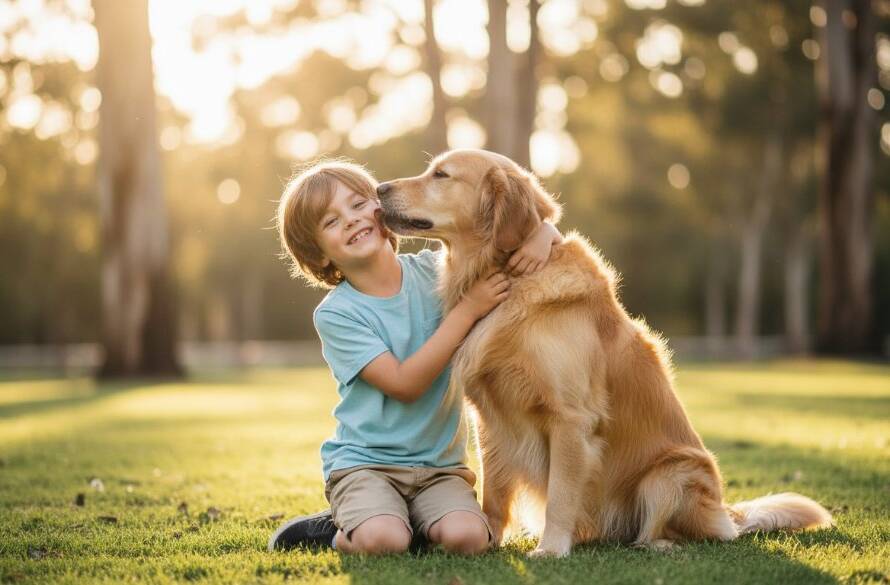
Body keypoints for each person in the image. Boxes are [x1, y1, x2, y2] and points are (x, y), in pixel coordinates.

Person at [268, 159, 562, 554]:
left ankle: (403, 521)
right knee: (384, 541)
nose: (352, 221)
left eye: (358, 205)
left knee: (470, 539)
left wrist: (545, 232)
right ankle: (336, 530)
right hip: (367, 466)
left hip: (440, 469)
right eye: (331, 222)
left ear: (385, 212)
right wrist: (466, 311)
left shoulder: (436, 271)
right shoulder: (338, 314)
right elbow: (405, 385)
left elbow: (504, 242)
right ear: (319, 256)